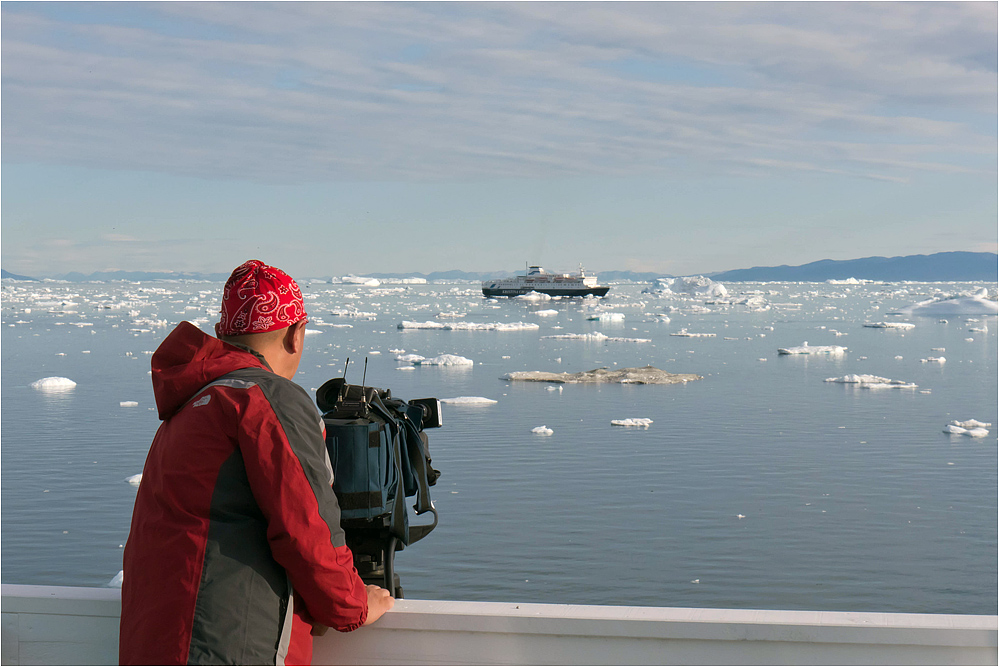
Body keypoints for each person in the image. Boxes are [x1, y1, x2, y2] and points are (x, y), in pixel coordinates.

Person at [119, 260, 393, 666]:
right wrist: (352, 604)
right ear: (296, 334)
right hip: (227, 647)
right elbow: (305, 526)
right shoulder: (267, 399)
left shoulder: (192, 404)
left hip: (159, 644)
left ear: (221, 335)